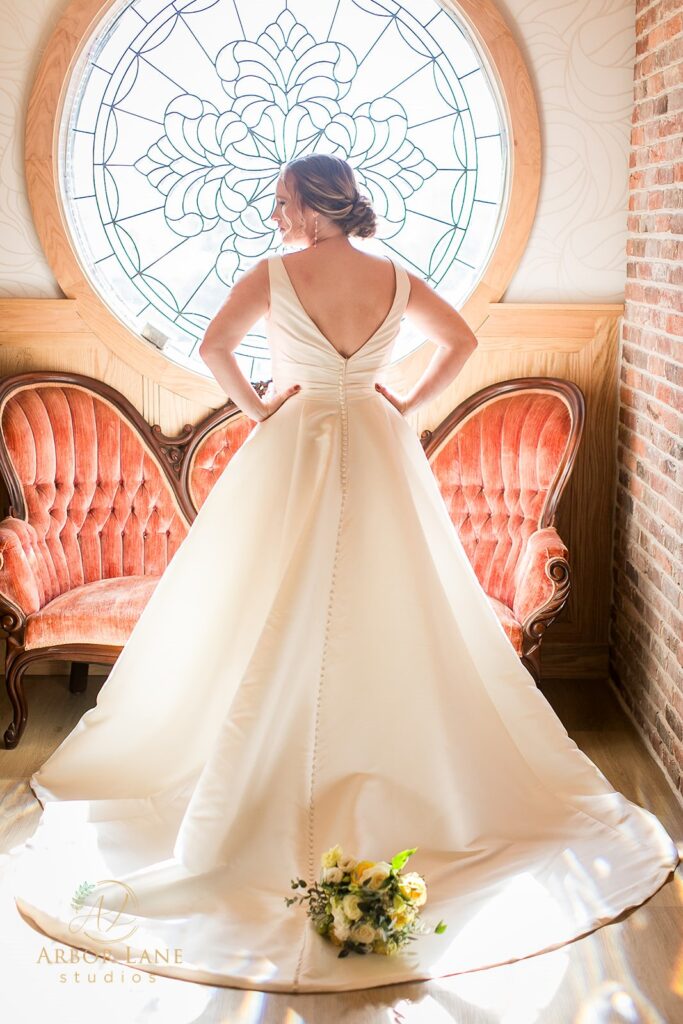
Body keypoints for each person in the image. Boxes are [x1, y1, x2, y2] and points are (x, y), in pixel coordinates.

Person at [4, 154, 678, 994]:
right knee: (394, 604)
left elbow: (214, 347)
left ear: (315, 202)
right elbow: (460, 342)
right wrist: (401, 401)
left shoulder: (276, 274)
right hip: (376, 437)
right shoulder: (393, 275)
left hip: (295, 440)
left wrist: (260, 410)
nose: (275, 212)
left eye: (282, 199)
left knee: (261, 601)